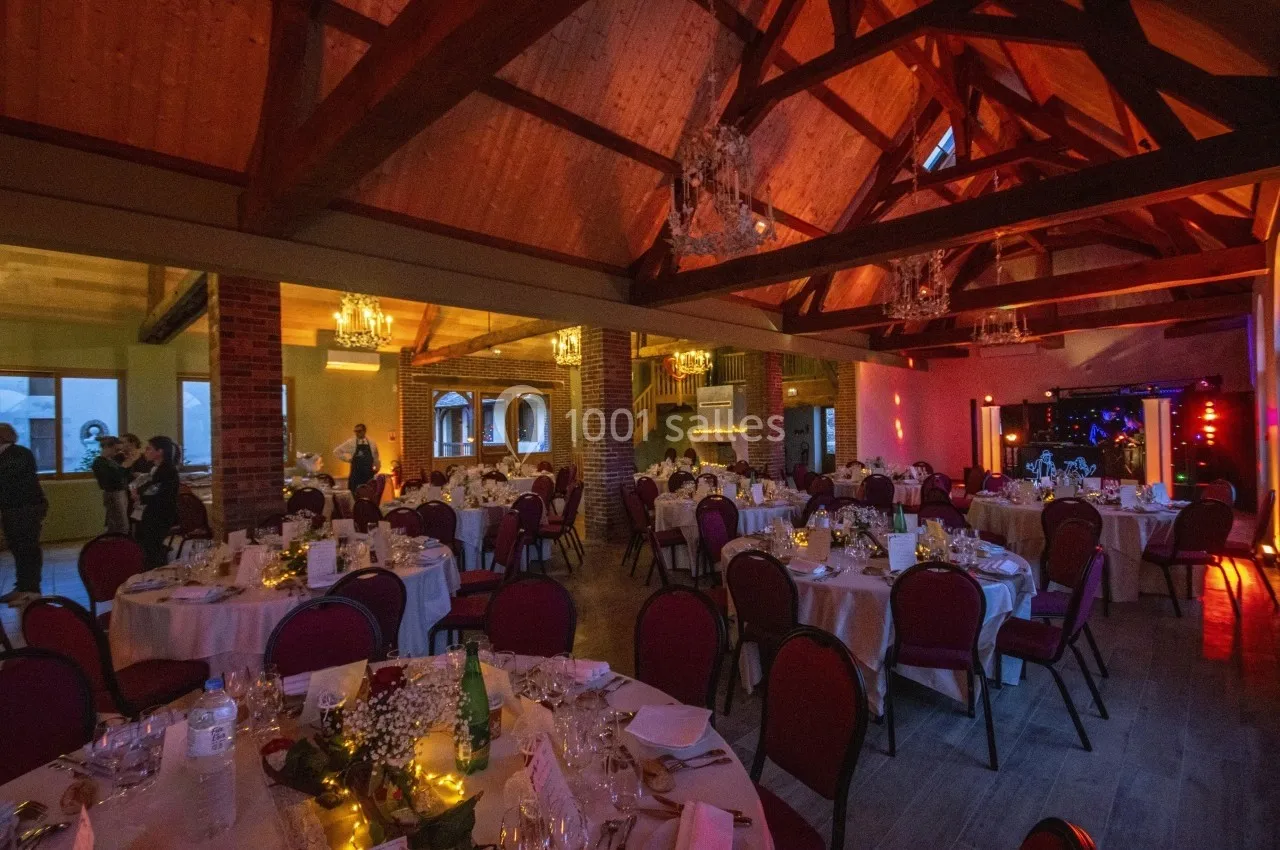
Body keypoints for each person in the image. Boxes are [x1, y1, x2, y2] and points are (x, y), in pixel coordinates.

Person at [0, 423, 48, 605]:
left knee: (27, 548)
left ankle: (31, 590)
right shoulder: (15, 454)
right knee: (17, 548)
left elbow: (8, 480)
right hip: (15, 508)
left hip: (25, 508)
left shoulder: (19, 454)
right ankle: (22, 586)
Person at [134, 436, 180, 569]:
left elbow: (156, 493)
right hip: (154, 513)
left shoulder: (167, 470)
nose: (145, 451)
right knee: (149, 546)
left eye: (149, 448)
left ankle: (157, 573)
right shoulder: (158, 468)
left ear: (160, 451)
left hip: (160, 515)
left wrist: (139, 497)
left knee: (152, 548)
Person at [92, 436, 130, 534]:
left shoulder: (111, 461)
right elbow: (111, 479)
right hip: (113, 493)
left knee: (120, 523)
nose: (118, 452)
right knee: (120, 524)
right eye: (116, 450)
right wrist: (123, 466)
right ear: (107, 447)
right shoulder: (99, 463)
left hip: (119, 493)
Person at [334, 424, 380, 492]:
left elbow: (376, 457)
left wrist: (377, 468)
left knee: (368, 493)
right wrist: (348, 459)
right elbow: (336, 451)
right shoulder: (351, 442)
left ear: (364, 431)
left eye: (359, 431)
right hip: (356, 475)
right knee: (354, 493)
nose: (357, 433)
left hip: (368, 474)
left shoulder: (372, 443)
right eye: (355, 431)